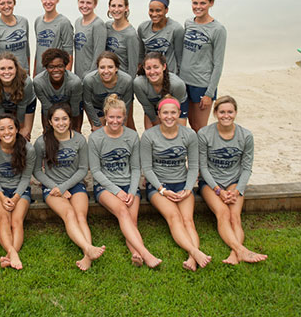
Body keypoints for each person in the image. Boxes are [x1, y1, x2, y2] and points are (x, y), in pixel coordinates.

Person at [88, 95, 161, 268]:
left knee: (132, 220)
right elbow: (96, 172)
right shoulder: (95, 138)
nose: (115, 121)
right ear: (105, 116)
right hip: (106, 187)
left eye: (119, 117)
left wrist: (131, 190)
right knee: (122, 211)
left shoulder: (132, 136)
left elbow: (136, 168)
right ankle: (146, 254)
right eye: (111, 117)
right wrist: (117, 191)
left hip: (129, 185)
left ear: (125, 117)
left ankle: (135, 253)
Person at [140, 96, 211, 271]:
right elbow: (147, 169)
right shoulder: (149, 136)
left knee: (188, 220)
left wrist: (188, 188)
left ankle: (192, 257)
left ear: (179, 113)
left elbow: (194, 166)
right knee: (174, 217)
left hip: (182, 183)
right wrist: (162, 190)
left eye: (173, 112)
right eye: (165, 112)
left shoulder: (189, 135)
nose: (169, 116)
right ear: (159, 114)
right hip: (158, 186)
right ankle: (195, 252)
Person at [33, 103, 105, 271]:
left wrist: (65, 187)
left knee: (81, 215)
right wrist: (57, 188)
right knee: (69, 214)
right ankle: (88, 249)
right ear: (50, 122)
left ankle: (87, 255)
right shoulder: (41, 142)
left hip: (74, 184)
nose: (61, 123)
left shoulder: (79, 139)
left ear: (70, 119)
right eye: (56, 119)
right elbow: (37, 171)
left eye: (64, 118)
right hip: (52, 189)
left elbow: (82, 169)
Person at [197, 96, 267, 264]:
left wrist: (236, 190)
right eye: (222, 112)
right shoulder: (204, 134)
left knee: (235, 216)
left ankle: (234, 254)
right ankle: (241, 250)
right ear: (215, 113)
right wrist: (219, 191)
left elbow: (246, 167)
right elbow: (203, 168)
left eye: (230, 112)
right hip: (211, 183)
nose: (226, 115)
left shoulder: (246, 135)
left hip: (234, 181)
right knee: (223, 213)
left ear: (235, 113)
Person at [0, 114, 36, 270]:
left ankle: (10, 255)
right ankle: (13, 254)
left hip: (20, 189)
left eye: (11, 128)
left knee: (16, 221)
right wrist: (2, 196)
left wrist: (15, 197)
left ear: (17, 129)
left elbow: (26, 178)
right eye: (2, 129)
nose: (7, 132)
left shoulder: (28, 149)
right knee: (3, 219)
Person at [180, 0, 227, 132]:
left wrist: (209, 94)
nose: (198, 7)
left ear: (211, 3)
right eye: (195, 3)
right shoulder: (189, 23)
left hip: (201, 84)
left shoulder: (218, 29)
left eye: (202, 3)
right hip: (182, 82)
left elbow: (218, 64)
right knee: (181, 126)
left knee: (198, 127)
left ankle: (201, 155)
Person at [105, 0, 139, 129]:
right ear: (109, 8)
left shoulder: (130, 34)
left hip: (123, 83)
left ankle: (135, 145)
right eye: (113, 6)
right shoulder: (107, 27)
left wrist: (128, 89)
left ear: (126, 8)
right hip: (108, 81)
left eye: (120, 6)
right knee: (112, 119)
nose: (116, 9)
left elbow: (133, 65)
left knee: (126, 119)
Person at [0, 52, 36, 141]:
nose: (6, 72)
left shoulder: (26, 82)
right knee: (2, 134)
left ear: (16, 69)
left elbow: (21, 109)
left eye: (10, 68)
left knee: (23, 135)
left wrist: (19, 131)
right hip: (1, 104)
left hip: (26, 104)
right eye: (2, 68)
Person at [134, 52, 188, 130]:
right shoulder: (139, 83)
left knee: (178, 132)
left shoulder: (177, 84)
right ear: (144, 68)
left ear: (164, 66)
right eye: (148, 68)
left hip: (176, 105)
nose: (152, 72)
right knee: (152, 133)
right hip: (152, 106)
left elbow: (175, 108)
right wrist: (156, 123)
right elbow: (147, 106)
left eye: (156, 67)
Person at [33, 48, 83, 131]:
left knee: (74, 133)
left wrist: (73, 131)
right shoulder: (39, 82)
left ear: (65, 66)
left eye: (60, 66)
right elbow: (46, 107)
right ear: (46, 67)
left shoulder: (75, 82)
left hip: (70, 106)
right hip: (49, 106)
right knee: (48, 133)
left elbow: (74, 109)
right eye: (51, 67)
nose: (56, 70)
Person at [137, 0, 184, 75]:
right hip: (150, 75)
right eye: (151, 10)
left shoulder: (176, 29)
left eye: (158, 10)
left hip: (169, 76)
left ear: (166, 10)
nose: (154, 14)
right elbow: (141, 55)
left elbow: (180, 58)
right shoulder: (142, 28)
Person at [83, 51, 132, 132]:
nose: (106, 71)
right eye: (102, 67)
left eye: (110, 67)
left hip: (117, 107)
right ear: (97, 68)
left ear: (116, 68)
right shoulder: (89, 80)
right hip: (97, 107)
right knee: (99, 133)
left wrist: (121, 124)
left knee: (119, 131)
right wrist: (96, 124)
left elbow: (127, 104)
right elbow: (87, 102)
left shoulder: (126, 80)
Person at [34, 0, 74, 77]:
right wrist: (34, 75)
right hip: (40, 75)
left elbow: (69, 54)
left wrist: (66, 77)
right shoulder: (38, 21)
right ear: (41, 0)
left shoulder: (64, 22)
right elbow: (38, 50)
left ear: (57, 0)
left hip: (56, 74)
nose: (48, 2)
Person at [74, 0, 106, 79]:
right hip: (78, 73)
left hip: (92, 77)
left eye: (88, 3)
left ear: (95, 4)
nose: (84, 6)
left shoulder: (98, 24)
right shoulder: (78, 22)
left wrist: (90, 76)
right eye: (82, 2)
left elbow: (99, 55)